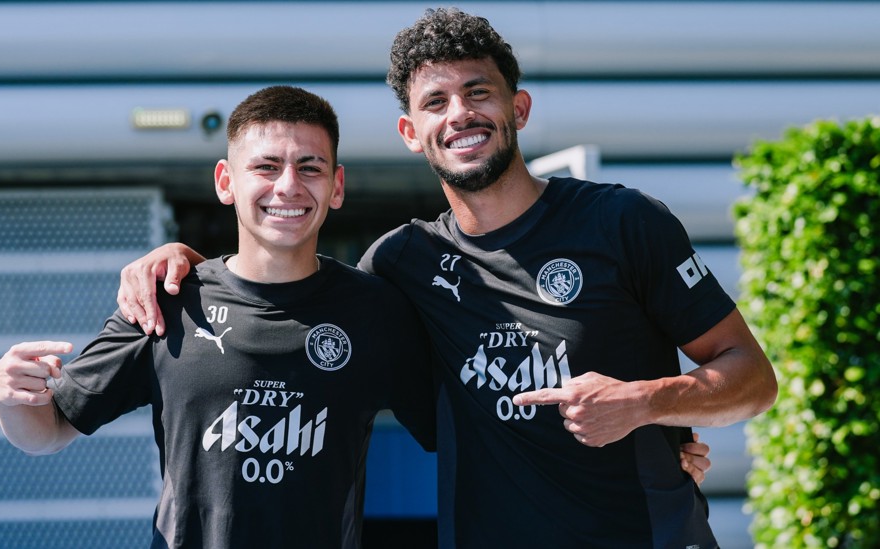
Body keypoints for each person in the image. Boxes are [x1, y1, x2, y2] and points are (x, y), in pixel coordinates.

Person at [118, 8, 777, 547]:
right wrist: (184, 262)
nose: (459, 112)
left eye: (478, 92)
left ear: (518, 107)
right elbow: (284, 294)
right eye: (436, 101)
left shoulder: (623, 222)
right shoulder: (402, 262)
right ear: (412, 131)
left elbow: (753, 378)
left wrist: (649, 402)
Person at [0, 85, 437, 549]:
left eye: (310, 167)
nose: (288, 186)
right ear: (225, 181)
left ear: (336, 186)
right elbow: (49, 431)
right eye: (266, 166)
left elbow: (459, 434)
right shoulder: (167, 300)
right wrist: (9, 397)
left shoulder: (376, 312)